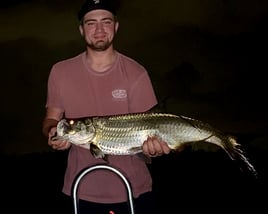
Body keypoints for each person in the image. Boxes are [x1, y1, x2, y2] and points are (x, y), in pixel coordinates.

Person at [42, 0, 170, 213]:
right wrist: (52, 133)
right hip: (78, 188)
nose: (99, 30)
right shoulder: (60, 72)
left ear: (116, 26)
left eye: (106, 22)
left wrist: (154, 148)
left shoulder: (136, 73)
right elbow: (51, 120)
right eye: (91, 23)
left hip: (133, 190)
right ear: (82, 29)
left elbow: (151, 129)